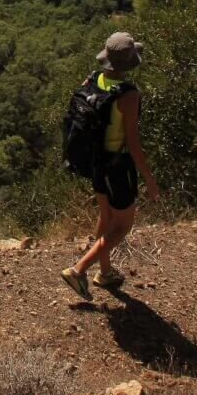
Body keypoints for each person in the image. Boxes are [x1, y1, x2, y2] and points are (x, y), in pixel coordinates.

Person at [61, 32, 160, 301]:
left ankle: (105, 272)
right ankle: (78, 270)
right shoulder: (128, 95)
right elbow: (134, 144)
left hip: (96, 162)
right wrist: (150, 180)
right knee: (122, 226)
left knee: (105, 217)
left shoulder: (94, 79)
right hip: (117, 166)